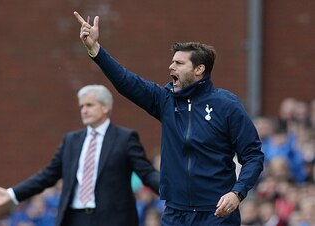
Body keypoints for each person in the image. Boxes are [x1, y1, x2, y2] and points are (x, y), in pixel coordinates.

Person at [74, 12, 265, 226]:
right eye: (172, 61)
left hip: (217, 214)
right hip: (175, 214)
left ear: (199, 69)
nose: (171, 67)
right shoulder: (165, 100)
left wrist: (237, 193)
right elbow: (127, 82)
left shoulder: (227, 105)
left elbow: (253, 156)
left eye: (179, 63)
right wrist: (95, 50)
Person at [0, 84, 160, 226]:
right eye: (81, 106)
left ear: (105, 107)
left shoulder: (125, 138)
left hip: (112, 219)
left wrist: (174, 192)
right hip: (75, 218)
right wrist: (12, 193)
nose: (84, 110)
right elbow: (47, 176)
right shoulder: (71, 141)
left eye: (89, 105)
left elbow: (147, 173)